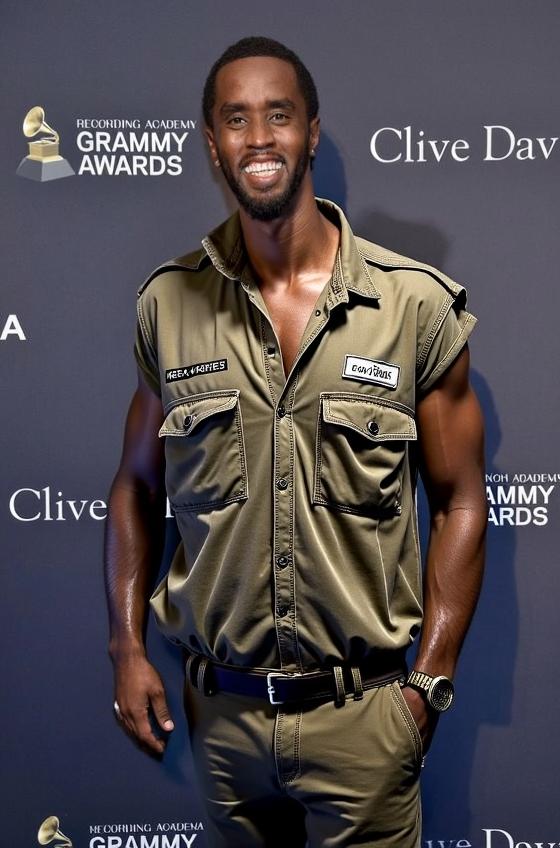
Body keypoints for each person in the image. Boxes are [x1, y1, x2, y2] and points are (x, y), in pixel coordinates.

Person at [104, 36, 487, 848]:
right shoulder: (166, 305)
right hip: (225, 727)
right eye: (235, 120)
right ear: (213, 145)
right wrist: (127, 647)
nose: (259, 138)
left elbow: (459, 498)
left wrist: (431, 682)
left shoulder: (412, 305)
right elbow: (135, 485)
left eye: (279, 115)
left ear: (312, 131)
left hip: (366, 721)